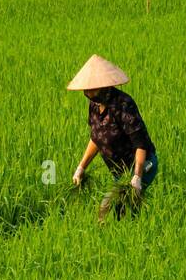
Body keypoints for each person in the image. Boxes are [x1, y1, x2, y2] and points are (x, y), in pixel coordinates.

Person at [67, 54, 157, 199]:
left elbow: (140, 143)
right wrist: (81, 167)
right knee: (121, 213)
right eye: (86, 90)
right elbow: (96, 138)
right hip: (120, 172)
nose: (88, 94)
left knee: (110, 208)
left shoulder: (123, 104)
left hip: (141, 166)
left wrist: (137, 177)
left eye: (92, 89)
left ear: (104, 86)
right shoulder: (95, 106)